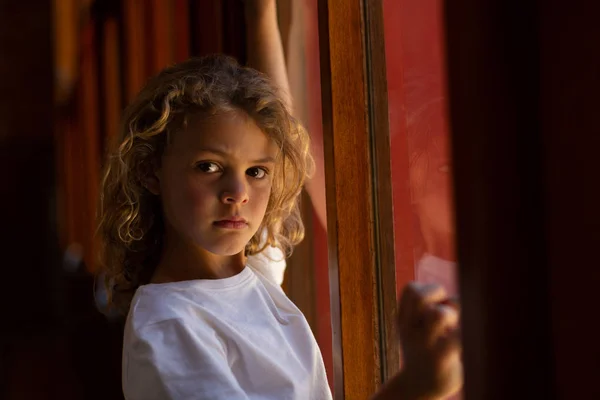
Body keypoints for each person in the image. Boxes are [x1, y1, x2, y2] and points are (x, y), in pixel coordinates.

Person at [96, 1, 462, 399]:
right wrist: (415, 388)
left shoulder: (250, 273)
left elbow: (282, 142)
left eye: (256, 172)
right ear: (152, 171)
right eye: (208, 167)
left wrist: (262, 17)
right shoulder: (170, 326)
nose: (237, 194)